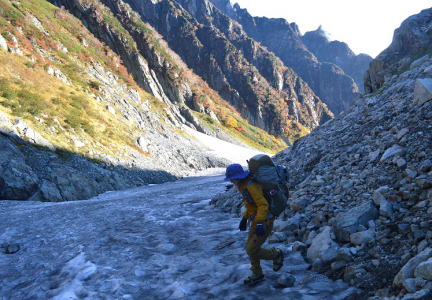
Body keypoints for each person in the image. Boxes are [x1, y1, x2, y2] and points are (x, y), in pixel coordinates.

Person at [225, 163, 284, 286]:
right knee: (250, 248)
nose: (230, 181)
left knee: (251, 249)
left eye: (231, 178)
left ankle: (276, 254)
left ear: (237, 177)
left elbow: (263, 205)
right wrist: (245, 218)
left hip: (264, 221)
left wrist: (260, 223)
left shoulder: (251, 185)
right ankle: (257, 273)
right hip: (256, 220)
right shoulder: (242, 185)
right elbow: (251, 204)